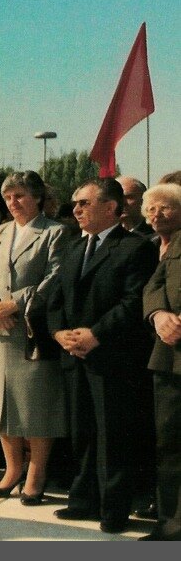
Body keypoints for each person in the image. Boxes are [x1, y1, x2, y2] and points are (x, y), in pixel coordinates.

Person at [46, 178, 157, 534]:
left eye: (84, 203)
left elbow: (133, 301)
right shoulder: (72, 248)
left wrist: (96, 334)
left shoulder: (135, 248)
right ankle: (83, 500)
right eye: (75, 203)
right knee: (83, 433)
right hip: (74, 356)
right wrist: (59, 332)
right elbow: (56, 300)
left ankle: (114, 509)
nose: (75, 209)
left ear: (111, 208)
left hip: (113, 358)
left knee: (114, 436)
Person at [0, 170, 66, 504]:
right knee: (2, 404)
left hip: (31, 331)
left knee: (35, 405)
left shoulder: (55, 232)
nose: (13, 203)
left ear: (38, 197)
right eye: (8, 197)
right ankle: (12, 469)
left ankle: (36, 473)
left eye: (21, 196)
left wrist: (17, 303)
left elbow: (56, 276)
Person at [142, 192, 181, 541]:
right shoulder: (174, 245)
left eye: (164, 207)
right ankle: (171, 526)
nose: (156, 214)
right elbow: (153, 286)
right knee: (169, 443)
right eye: (151, 208)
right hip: (172, 357)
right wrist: (158, 314)